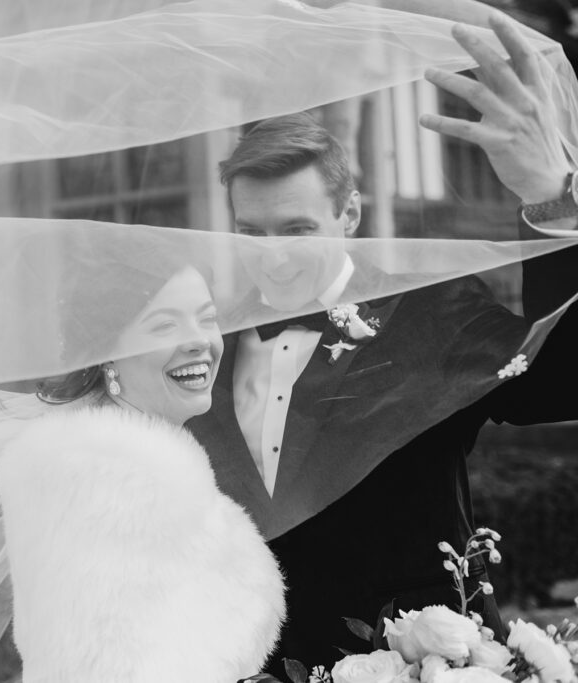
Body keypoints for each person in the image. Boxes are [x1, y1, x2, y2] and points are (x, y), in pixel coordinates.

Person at [188, 14, 578, 671]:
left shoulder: (432, 315)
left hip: (425, 663)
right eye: (251, 233)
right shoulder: (205, 349)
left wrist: (551, 199)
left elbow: (565, 378)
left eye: (296, 230)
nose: (272, 259)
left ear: (350, 216)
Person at [0, 259, 286, 682]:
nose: (200, 342)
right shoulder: (106, 486)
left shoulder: (119, 467)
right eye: (165, 326)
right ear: (104, 350)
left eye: (207, 318)